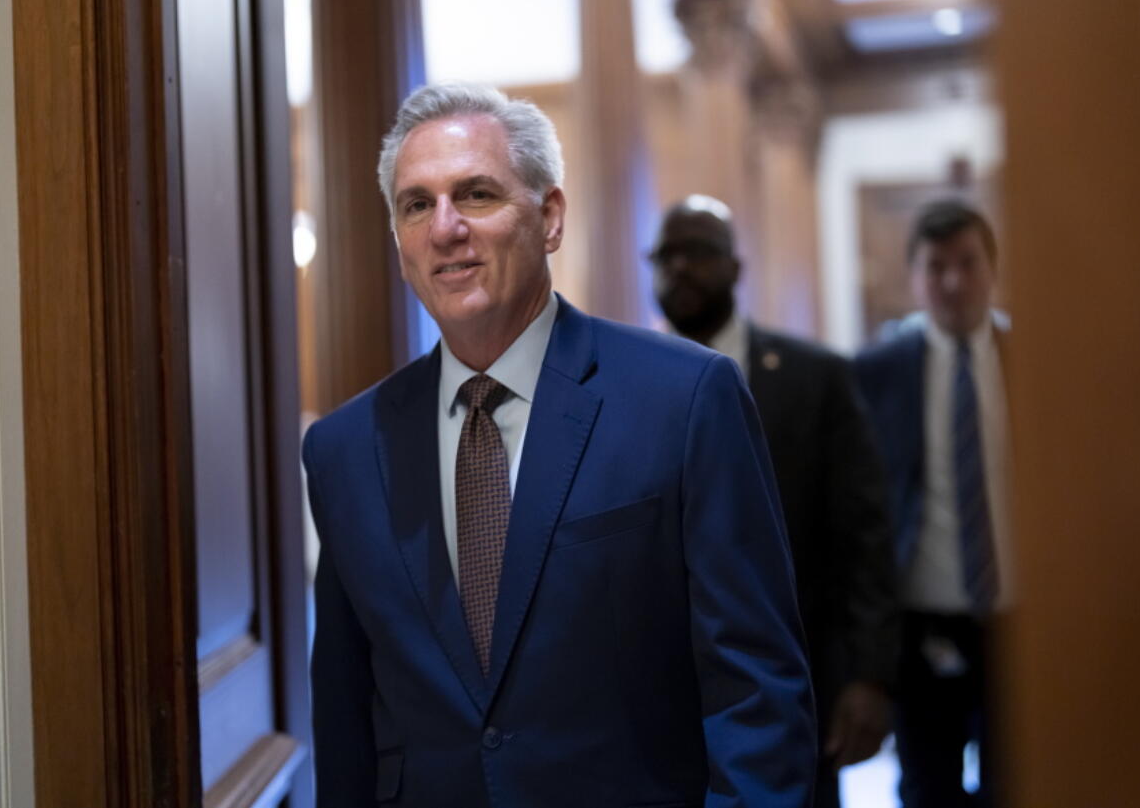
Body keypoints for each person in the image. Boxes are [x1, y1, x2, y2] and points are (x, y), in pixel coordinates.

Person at [302, 83, 817, 807]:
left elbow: (756, 692)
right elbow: (347, 716)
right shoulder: (344, 450)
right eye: (416, 205)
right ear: (399, 241)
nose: (445, 228)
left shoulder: (686, 399)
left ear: (549, 218)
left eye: (476, 194)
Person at [649, 195, 898, 808]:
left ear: (737, 267)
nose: (680, 268)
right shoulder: (623, 385)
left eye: (700, 253)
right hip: (659, 698)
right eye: (666, 256)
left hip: (795, 685)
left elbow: (864, 536)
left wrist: (869, 676)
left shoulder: (817, 379)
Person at [854, 199, 1011, 808]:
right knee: (927, 789)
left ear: (992, 268)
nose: (953, 281)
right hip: (923, 628)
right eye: (936, 266)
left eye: (968, 263)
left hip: (1021, 622)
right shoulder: (877, 372)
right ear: (914, 276)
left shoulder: (1040, 363)